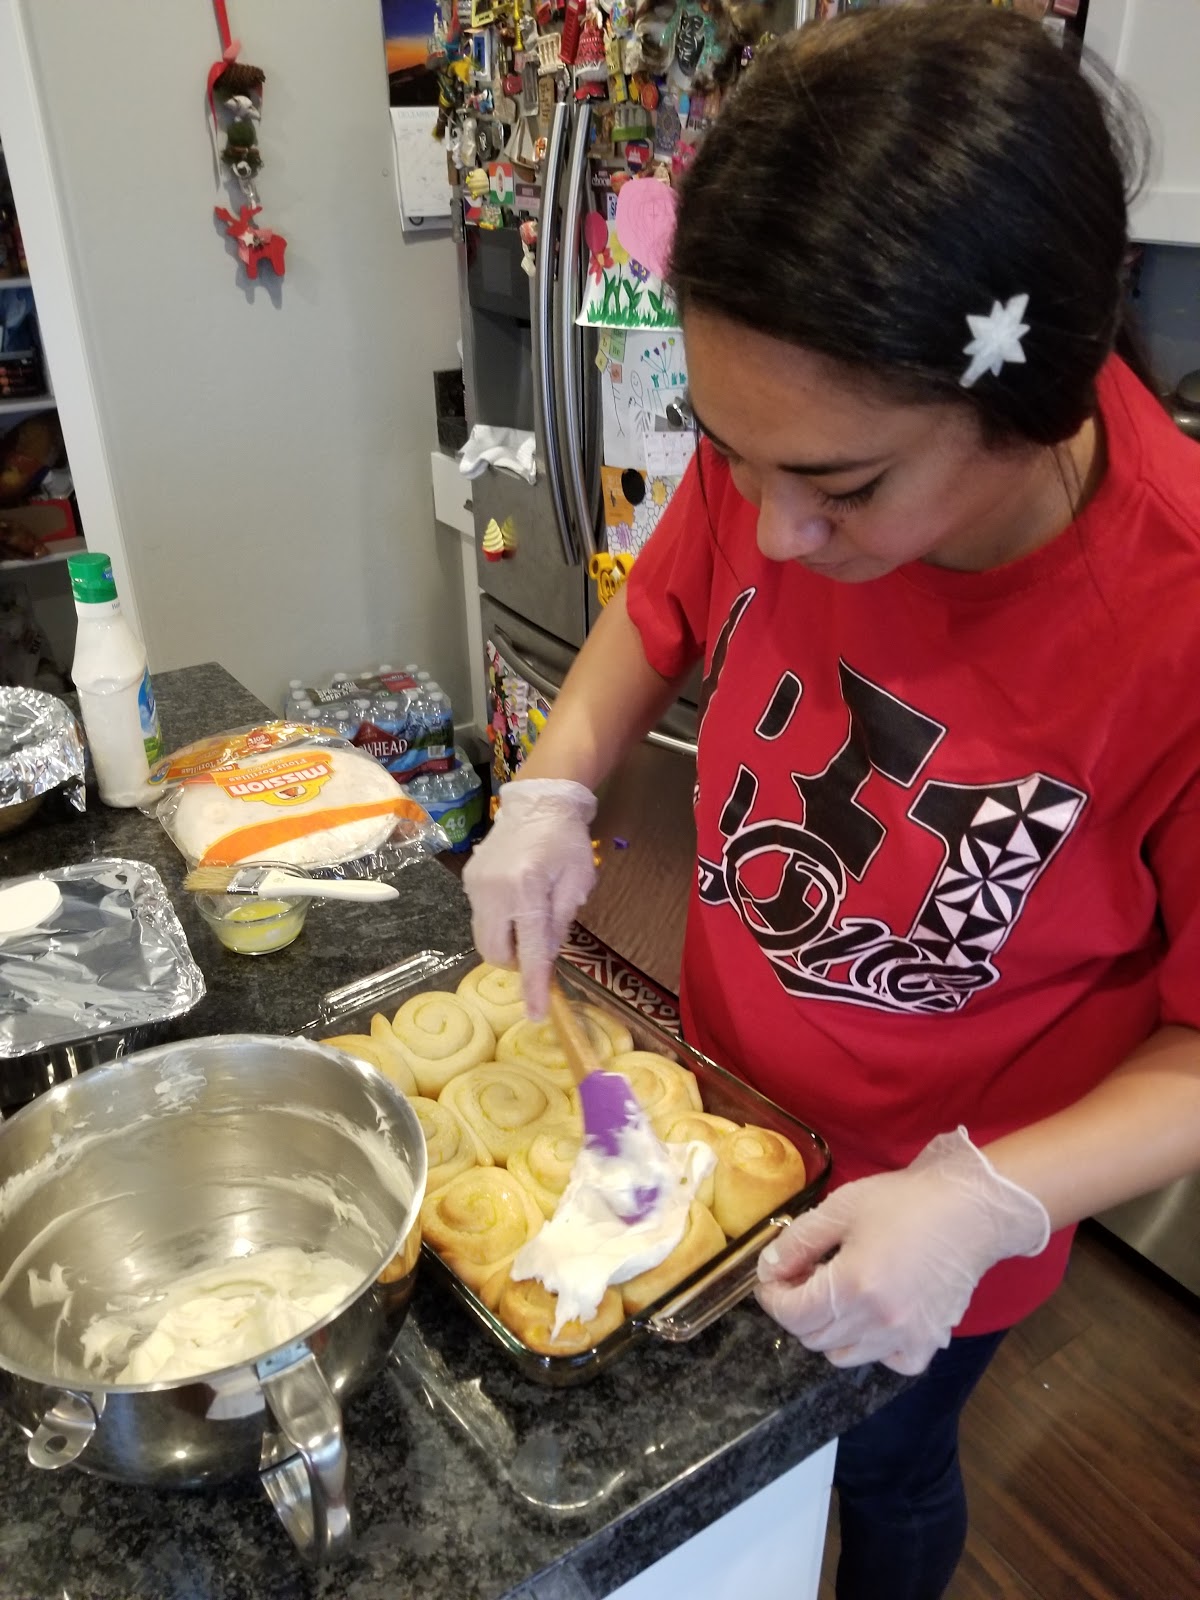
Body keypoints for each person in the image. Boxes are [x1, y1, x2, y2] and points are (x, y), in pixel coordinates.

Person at [463, 7, 1200, 1597]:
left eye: (846, 488)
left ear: (1034, 399)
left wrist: (984, 1200)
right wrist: (552, 786)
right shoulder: (786, 445)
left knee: (882, 1464)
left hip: (944, 1205)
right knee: (741, 1483)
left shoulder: (1179, 619)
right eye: (736, 457)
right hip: (722, 1110)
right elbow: (661, 611)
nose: (777, 531)